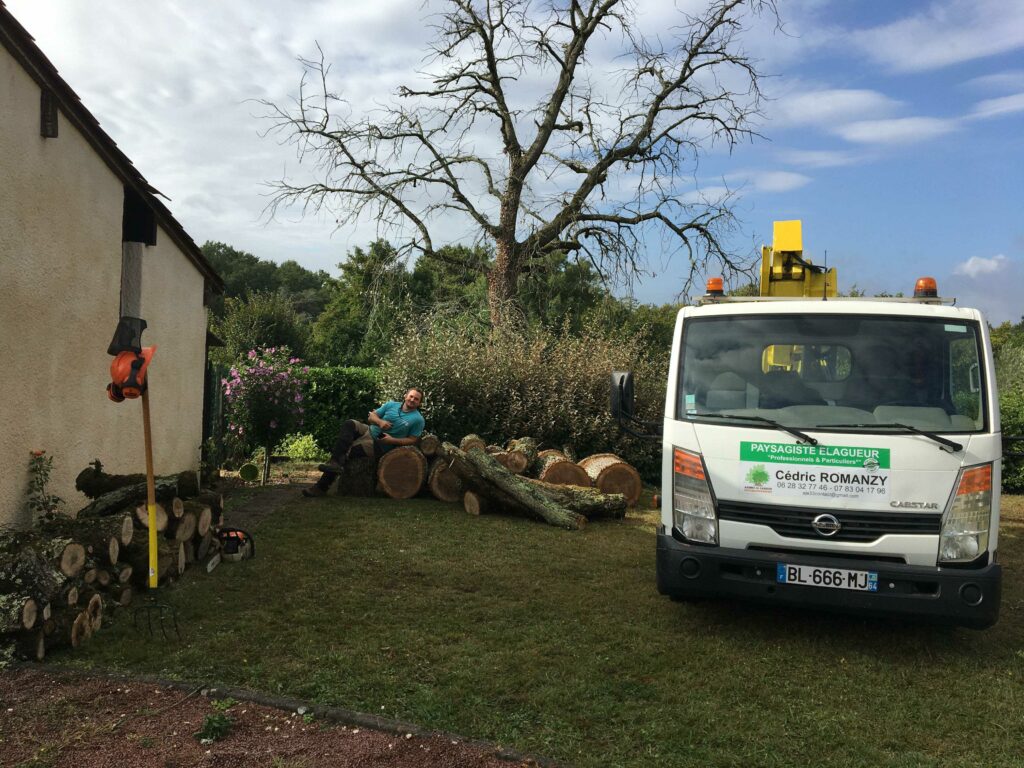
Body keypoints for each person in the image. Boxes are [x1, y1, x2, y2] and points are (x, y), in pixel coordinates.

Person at [302, 387, 425, 497]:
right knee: (349, 423)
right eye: (411, 396)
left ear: (419, 403)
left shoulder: (418, 419)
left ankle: (321, 487)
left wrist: (392, 440)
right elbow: (371, 416)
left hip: (380, 444)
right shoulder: (391, 405)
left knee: (347, 452)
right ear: (405, 396)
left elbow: (413, 440)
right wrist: (380, 422)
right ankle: (334, 463)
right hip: (369, 430)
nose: (412, 400)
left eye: (416, 399)